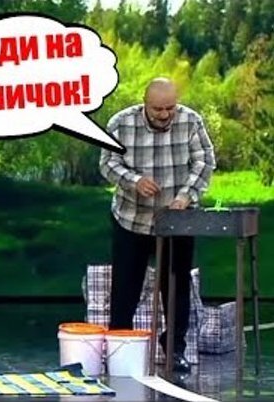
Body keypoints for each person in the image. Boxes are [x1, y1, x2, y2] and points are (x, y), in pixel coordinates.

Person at [99, 77, 216, 373]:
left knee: (176, 287)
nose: (165, 114)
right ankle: (120, 348)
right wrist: (134, 181)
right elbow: (108, 163)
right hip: (132, 218)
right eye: (158, 109)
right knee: (125, 287)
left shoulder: (191, 121)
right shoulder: (121, 123)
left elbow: (204, 161)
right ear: (145, 105)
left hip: (177, 220)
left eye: (170, 108)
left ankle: (175, 349)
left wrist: (186, 196)